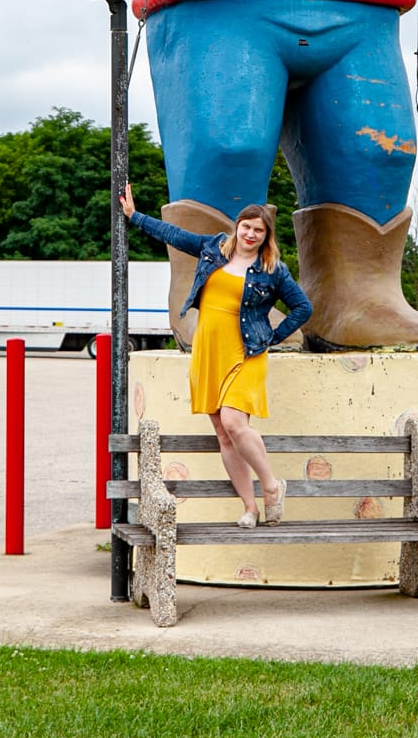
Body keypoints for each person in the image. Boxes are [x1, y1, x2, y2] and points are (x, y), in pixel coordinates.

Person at [119, 182, 312, 528]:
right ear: (237, 227)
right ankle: (250, 507)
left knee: (236, 422)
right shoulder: (213, 248)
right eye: (247, 226)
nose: (250, 234)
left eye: (259, 230)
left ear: (266, 236)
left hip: (247, 351)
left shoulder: (272, 269)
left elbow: (302, 307)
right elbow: (173, 234)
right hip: (209, 350)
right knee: (223, 433)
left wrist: (272, 336)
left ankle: (271, 486)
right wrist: (136, 217)